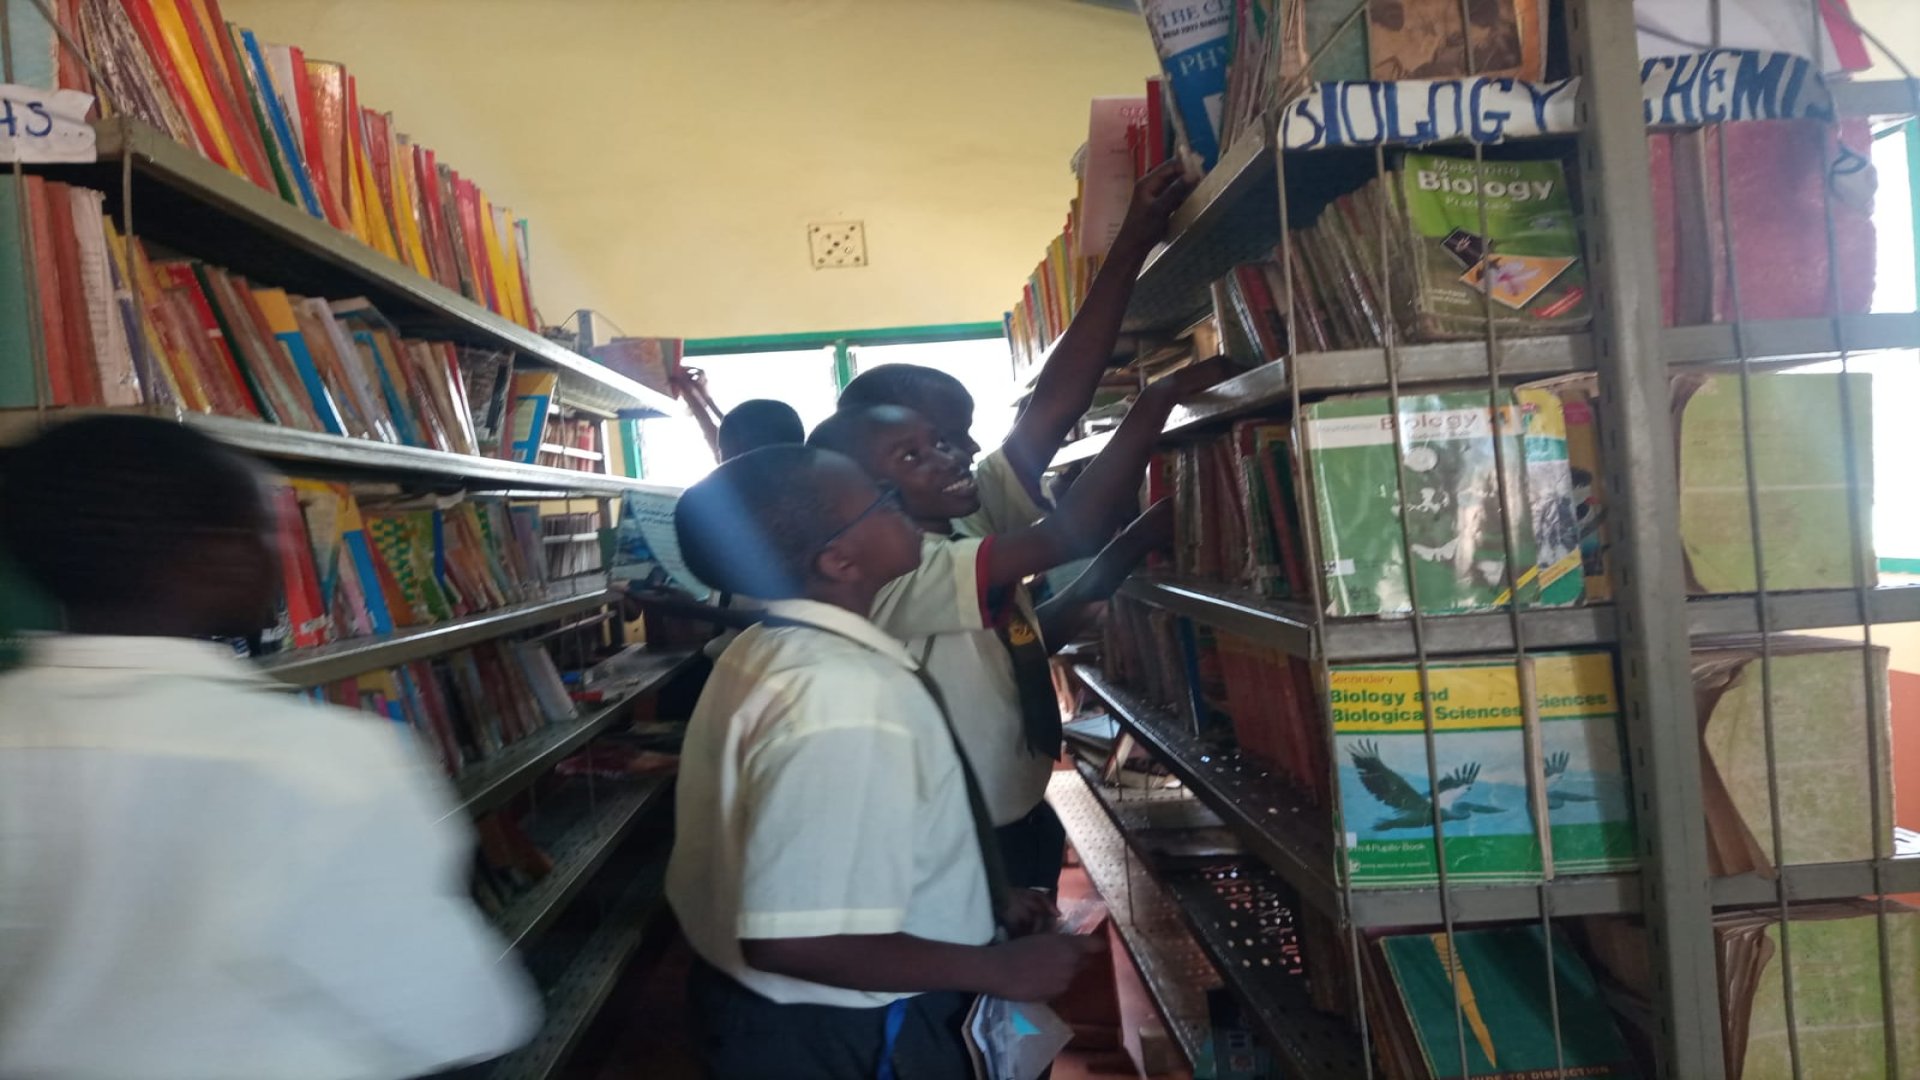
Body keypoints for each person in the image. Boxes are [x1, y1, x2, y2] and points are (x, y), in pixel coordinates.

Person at [0, 416, 540, 1079]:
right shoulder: (318, 761)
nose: (279, 557)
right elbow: (451, 1015)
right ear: (214, 557)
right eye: (264, 533)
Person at [667, 445, 1100, 1079]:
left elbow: (828, 843)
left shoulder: (772, 647)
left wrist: (970, 901)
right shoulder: (842, 697)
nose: (905, 508)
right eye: (881, 500)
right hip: (847, 1030)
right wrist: (991, 968)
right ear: (838, 560)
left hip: (796, 1012)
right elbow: (792, 938)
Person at [808, 358, 1225, 892]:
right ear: (868, 489)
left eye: (946, 440)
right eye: (917, 451)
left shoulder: (956, 524)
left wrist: (1132, 545)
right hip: (960, 833)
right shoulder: (898, 572)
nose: (963, 452)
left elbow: (1021, 644)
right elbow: (1068, 535)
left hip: (1014, 808)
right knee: (986, 960)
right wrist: (1154, 400)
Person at [836, 160, 1191, 549]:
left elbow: (1058, 404)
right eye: (946, 439)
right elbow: (1064, 532)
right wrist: (1157, 398)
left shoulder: (959, 509)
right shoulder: (914, 561)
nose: (971, 448)